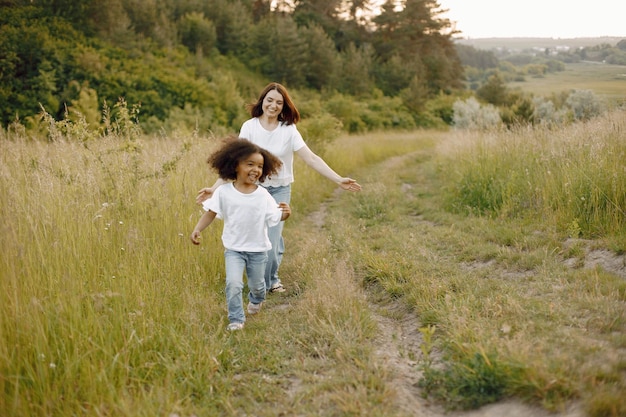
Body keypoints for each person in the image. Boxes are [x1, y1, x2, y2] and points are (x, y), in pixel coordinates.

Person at [196, 82, 361, 294]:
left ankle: (271, 280)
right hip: (254, 191)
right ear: (262, 101)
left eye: (279, 102)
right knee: (257, 239)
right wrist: (214, 187)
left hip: (279, 191)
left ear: (284, 107)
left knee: (271, 245)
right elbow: (236, 160)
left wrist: (338, 179)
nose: (273, 105)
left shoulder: (289, 130)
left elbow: (310, 158)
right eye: (270, 100)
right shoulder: (250, 126)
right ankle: (259, 280)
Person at [191, 136, 291, 331]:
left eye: (260, 166)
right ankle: (236, 319)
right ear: (235, 165)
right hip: (234, 250)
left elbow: (275, 217)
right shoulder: (223, 192)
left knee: (257, 285)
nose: (256, 169)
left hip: (258, 250)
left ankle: (256, 299)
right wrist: (197, 229)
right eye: (250, 164)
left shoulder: (263, 195)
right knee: (234, 284)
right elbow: (210, 213)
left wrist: (286, 214)